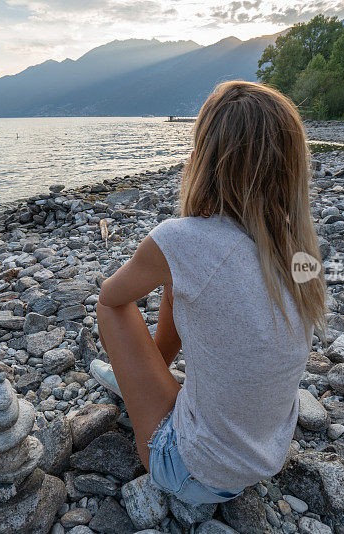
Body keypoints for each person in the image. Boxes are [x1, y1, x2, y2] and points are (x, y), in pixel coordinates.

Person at [89, 80, 326, 505]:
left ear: (204, 159)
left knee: (111, 308)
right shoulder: (298, 249)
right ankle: (150, 378)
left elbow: (112, 295)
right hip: (265, 454)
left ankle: (135, 382)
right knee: (182, 285)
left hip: (187, 468)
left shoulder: (181, 239)